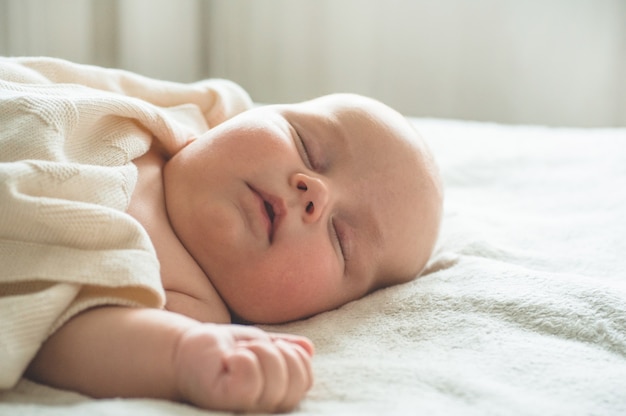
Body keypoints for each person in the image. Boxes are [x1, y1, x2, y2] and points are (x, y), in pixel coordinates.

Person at [0, 57, 443, 413]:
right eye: (307, 146)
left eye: (342, 238)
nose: (317, 194)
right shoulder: (185, 117)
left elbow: (60, 337)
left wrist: (184, 356)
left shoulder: (181, 307)